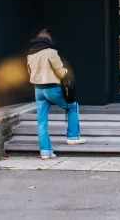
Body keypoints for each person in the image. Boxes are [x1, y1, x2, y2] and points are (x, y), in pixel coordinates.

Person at [27, 29, 86, 159]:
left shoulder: (30, 55)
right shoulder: (50, 52)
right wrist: (67, 74)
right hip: (52, 88)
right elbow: (59, 71)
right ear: (48, 40)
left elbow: (30, 72)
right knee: (72, 106)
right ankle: (73, 137)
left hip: (38, 90)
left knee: (41, 121)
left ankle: (45, 152)